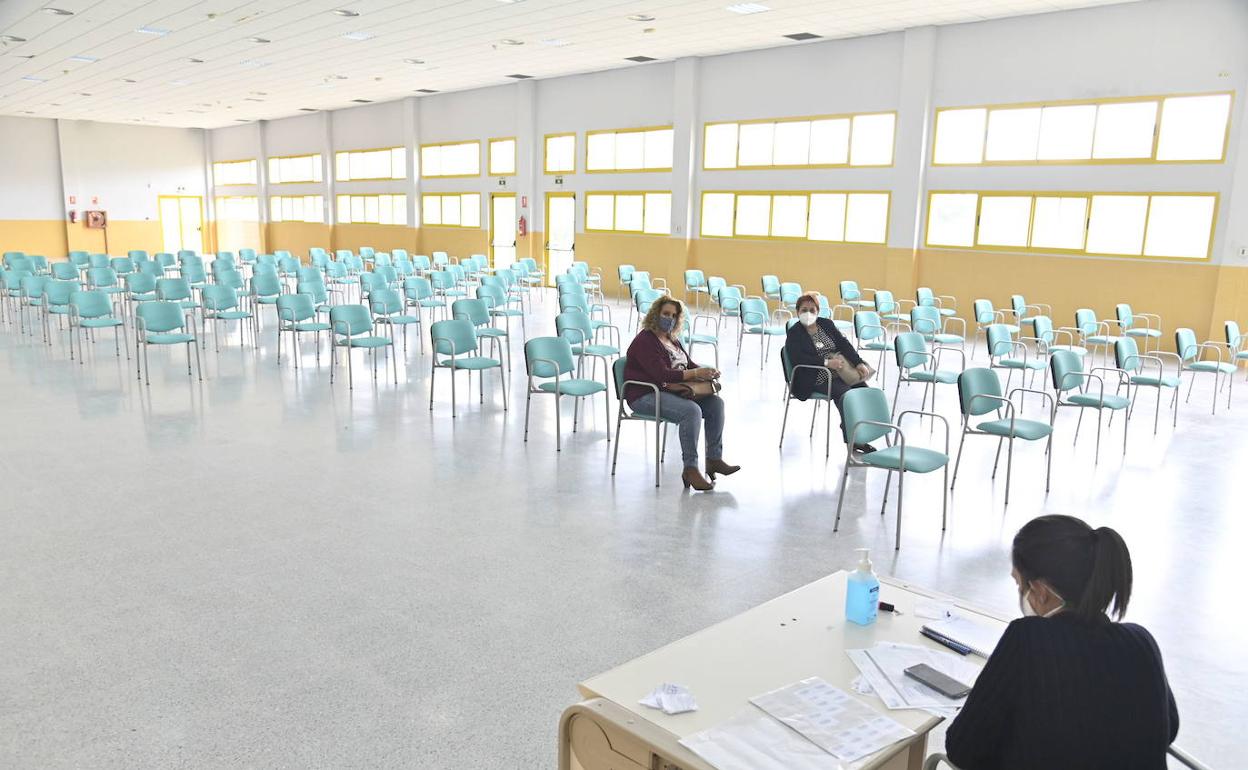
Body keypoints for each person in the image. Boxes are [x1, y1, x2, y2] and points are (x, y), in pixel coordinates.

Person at [944, 515, 1178, 770]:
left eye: (1018, 582)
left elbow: (962, 749)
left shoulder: (1028, 639)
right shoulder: (1141, 641)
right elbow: (1168, 729)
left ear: (1040, 591)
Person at [622, 297, 740, 491]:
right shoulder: (645, 340)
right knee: (691, 411)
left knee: (716, 404)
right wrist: (695, 374)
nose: (670, 318)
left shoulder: (671, 338)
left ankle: (714, 459)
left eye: (674, 316)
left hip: (668, 389)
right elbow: (661, 374)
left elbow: (687, 364)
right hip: (644, 394)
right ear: (655, 314)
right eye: (666, 314)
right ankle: (690, 469)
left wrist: (706, 370)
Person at [783, 293, 876, 453]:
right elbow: (799, 359)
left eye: (812, 310)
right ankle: (854, 440)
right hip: (814, 376)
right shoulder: (794, 333)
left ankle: (858, 430)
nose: (808, 313)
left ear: (818, 311)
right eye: (804, 310)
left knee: (864, 392)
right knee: (846, 396)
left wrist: (858, 362)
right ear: (797, 311)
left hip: (840, 370)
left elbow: (843, 344)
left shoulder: (826, 324)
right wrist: (826, 363)